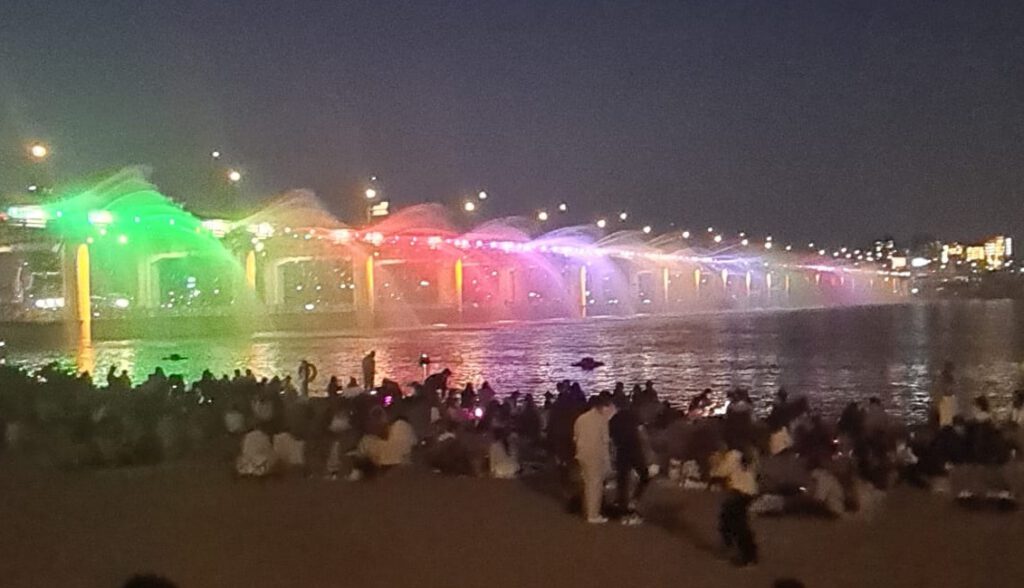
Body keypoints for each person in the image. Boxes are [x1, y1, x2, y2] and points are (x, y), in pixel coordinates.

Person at [712, 443, 759, 567]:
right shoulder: (750, 451)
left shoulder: (733, 454)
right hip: (749, 491)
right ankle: (744, 553)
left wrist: (717, 459)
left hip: (738, 492)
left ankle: (747, 556)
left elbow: (720, 472)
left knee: (735, 524)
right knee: (734, 522)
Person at [573, 394, 616, 524]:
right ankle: (593, 514)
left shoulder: (580, 419)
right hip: (595, 455)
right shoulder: (601, 420)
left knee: (587, 483)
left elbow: (575, 438)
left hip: (582, 454)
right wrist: (607, 461)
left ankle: (587, 510)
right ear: (602, 407)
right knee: (595, 485)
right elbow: (605, 442)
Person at [609, 396, 650, 523]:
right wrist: (648, 449)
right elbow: (642, 433)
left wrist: (612, 455)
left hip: (622, 451)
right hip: (635, 449)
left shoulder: (613, 420)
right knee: (645, 475)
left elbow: (610, 439)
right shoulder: (634, 415)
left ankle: (623, 508)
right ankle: (634, 499)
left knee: (622, 480)